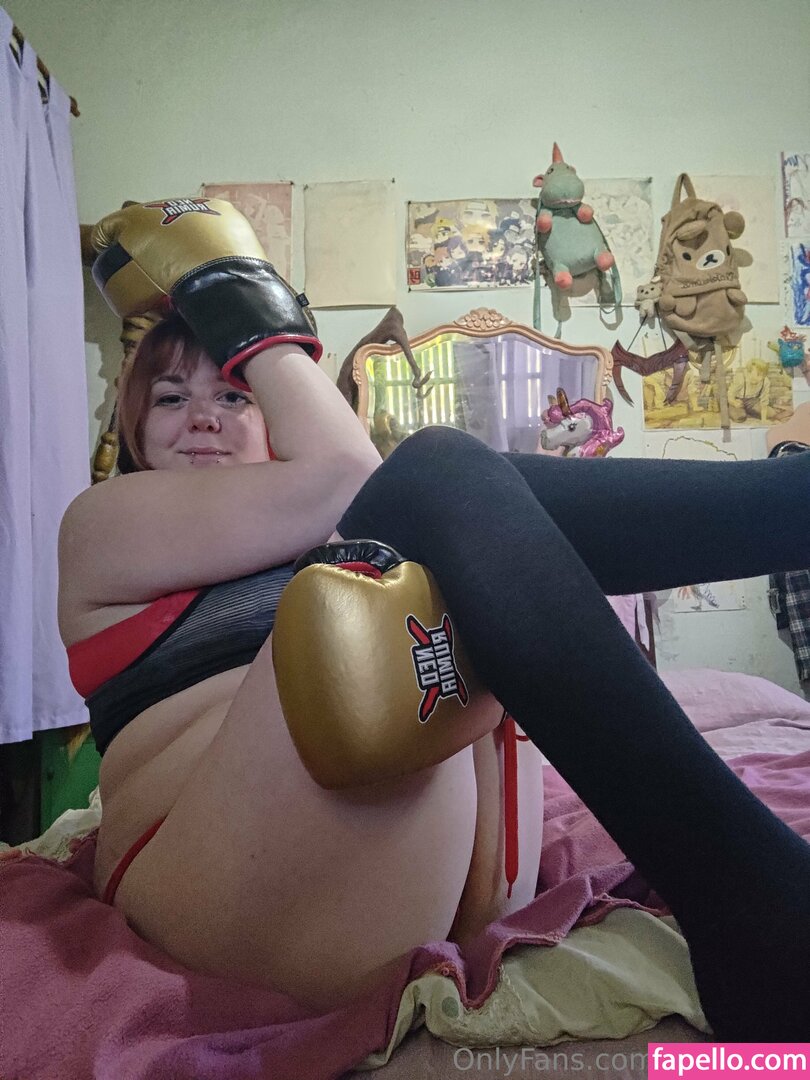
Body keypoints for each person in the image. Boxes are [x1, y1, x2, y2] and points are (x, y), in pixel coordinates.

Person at [59, 199, 810, 1039]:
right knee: (426, 484)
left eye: (236, 395)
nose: (203, 415)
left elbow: (358, 485)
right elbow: (348, 472)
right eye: (169, 397)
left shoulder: (326, 528)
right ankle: (754, 903)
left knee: (465, 511)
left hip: (413, 884)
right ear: (133, 426)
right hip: (204, 885)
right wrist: (227, 283)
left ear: (276, 420)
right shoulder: (104, 523)